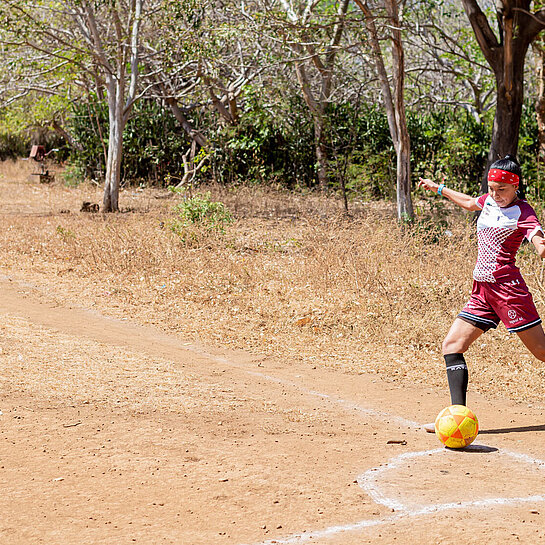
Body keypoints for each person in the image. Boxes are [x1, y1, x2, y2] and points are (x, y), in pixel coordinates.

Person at [418, 155, 545, 428]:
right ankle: (457, 418)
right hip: (482, 292)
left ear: (515, 186)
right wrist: (437, 188)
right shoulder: (487, 201)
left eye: (502, 190)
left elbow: (539, 242)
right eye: (491, 188)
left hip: (509, 292)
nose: (495, 195)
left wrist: (540, 244)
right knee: (452, 346)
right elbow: (467, 202)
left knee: (541, 352)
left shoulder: (523, 212)